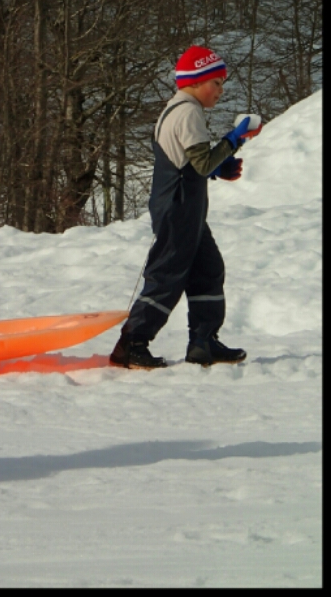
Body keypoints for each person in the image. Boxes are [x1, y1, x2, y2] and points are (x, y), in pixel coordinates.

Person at [110, 45, 262, 369]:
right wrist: (234, 139)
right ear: (195, 81)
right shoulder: (188, 112)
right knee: (166, 275)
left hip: (183, 209)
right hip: (178, 209)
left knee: (208, 269)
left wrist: (218, 168)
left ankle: (203, 342)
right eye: (216, 83)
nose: (221, 91)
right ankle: (131, 344)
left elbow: (189, 162)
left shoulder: (177, 109)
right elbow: (202, 162)